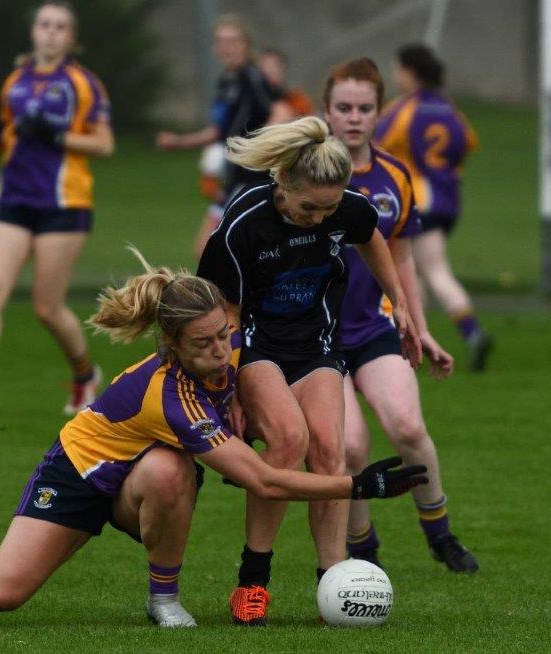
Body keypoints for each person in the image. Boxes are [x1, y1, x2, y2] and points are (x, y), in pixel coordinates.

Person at [0, 251, 429, 627]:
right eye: (203, 345)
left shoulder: (233, 348)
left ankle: (162, 600)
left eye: (224, 335)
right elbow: (262, 479)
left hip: (141, 478)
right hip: (82, 474)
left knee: (167, 470)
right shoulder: (169, 396)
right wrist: (359, 484)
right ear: (171, 346)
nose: (221, 352)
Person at [197, 116, 422, 626]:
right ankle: (253, 580)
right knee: (288, 443)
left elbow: (372, 237)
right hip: (255, 347)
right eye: (308, 208)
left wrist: (398, 300)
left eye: (329, 208)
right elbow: (224, 315)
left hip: (316, 346)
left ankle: (333, 584)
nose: (320, 219)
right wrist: (228, 389)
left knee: (330, 451)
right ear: (283, 184)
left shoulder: (347, 208)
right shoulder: (242, 224)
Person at [322, 57, 478, 573]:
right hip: (315, 340)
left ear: (377, 113)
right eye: (343, 107)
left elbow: (403, 256)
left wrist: (420, 325)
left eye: (365, 108)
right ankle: (364, 552)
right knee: (349, 446)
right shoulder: (304, 176)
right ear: (327, 111)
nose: (354, 117)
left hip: (372, 328)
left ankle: (440, 533)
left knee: (408, 427)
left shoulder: (394, 176)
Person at [0, 1, 113, 414]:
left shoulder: (83, 84)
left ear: (71, 38)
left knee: (47, 307)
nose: (50, 32)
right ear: (33, 33)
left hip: (63, 202)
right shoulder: (15, 80)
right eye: (44, 24)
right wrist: (0, 137)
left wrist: (57, 135)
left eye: (60, 26)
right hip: (13, 198)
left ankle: (85, 378)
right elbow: (15, 134)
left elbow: (104, 144)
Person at [376, 44, 492, 371]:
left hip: (416, 201)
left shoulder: (402, 109)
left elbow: (378, 143)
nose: (395, 75)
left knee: (433, 270)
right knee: (421, 273)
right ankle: (411, 344)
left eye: (398, 69)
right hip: (446, 199)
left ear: (410, 73)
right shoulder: (449, 109)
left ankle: (473, 333)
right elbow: (469, 142)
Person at [156, 14, 290, 257]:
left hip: (253, 177)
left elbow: (280, 109)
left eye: (233, 41)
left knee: (213, 250)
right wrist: (181, 141)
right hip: (234, 175)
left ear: (246, 45)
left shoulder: (252, 77)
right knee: (215, 252)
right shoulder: (227, 82)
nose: (226, 47)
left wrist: (262, 149)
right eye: (220, 41)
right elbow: (221, 130)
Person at [258, 49, 315, 119]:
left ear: (283, 70)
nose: (269, 70)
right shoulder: (251, 102)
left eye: (275, 66)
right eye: (265, 67)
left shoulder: (297, 100)